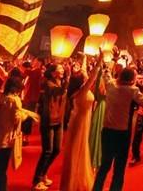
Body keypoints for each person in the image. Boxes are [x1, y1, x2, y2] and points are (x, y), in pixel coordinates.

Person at [94, 66, 143, 191]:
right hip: (122, 133)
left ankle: (96, 189)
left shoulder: (111, 85)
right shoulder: (133, 90)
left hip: (108, 130)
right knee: (119, 167)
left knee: (104, 165)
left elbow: (106, 74)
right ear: (132, 78)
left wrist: (107, 64)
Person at [60, 55, 101, 191]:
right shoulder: (82, 91)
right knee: (78, 151)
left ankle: (72, 180)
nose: (85, 76)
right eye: (83, 77)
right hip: (80, 123)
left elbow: (85, 73)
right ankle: (75, 182)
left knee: (76, 151)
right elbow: (93, 76)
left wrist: (84, 59)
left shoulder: (77, 91)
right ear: (81, 82)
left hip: (78, 120)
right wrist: (99, 61)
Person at [33, 63, 69, 191]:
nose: (63, 70)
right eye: (60, 68)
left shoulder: (60, 82)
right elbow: (59, 91)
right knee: (47, 151)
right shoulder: (48, 84)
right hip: (49, 121)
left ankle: (43, 174)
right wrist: (68, 77)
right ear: (53, 73)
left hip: (58, 120)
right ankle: (36, 179)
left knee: (57, 150)